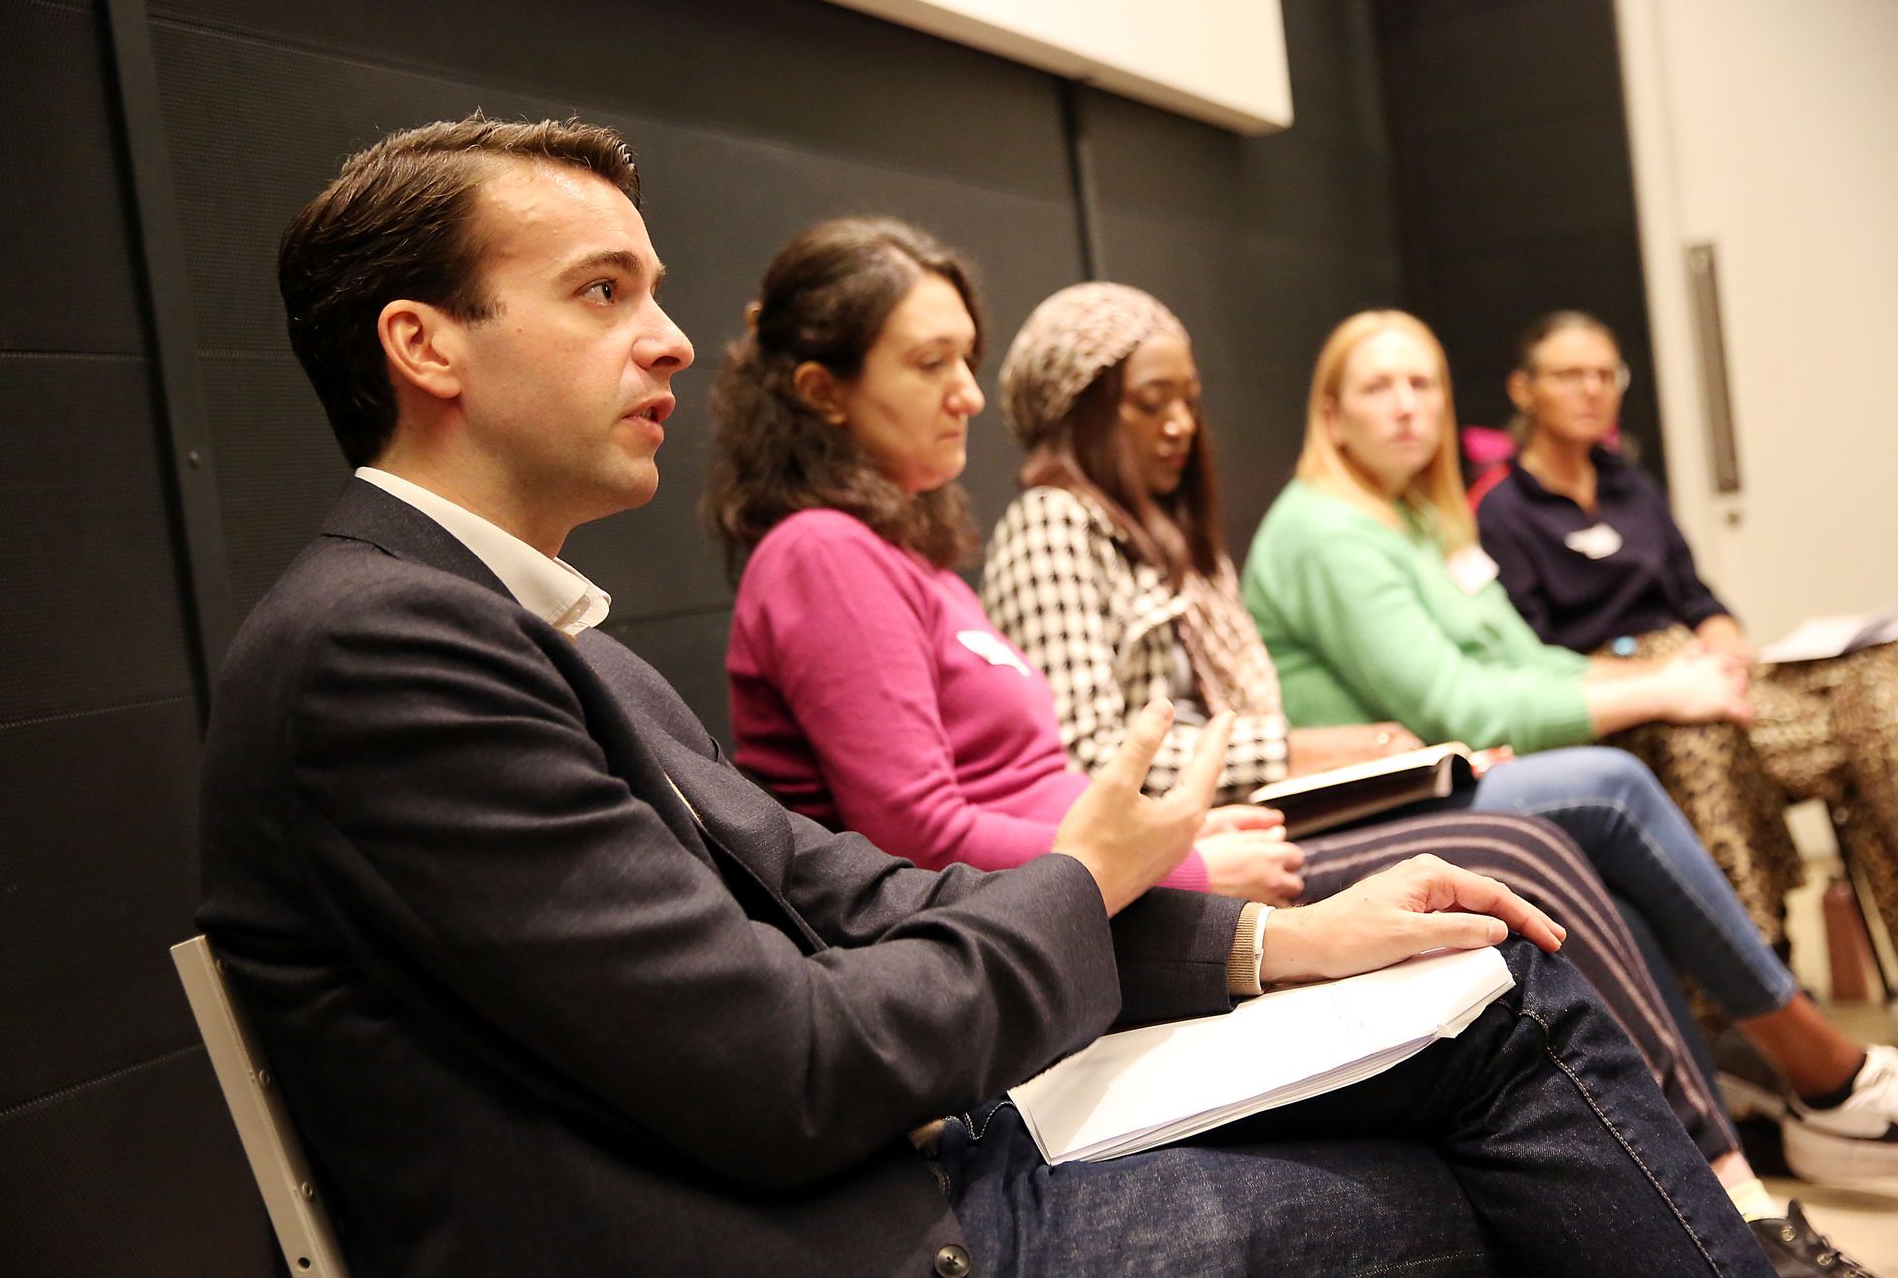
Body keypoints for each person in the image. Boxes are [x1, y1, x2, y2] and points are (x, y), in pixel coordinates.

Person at [196, 117, 1784, 1277]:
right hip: (856, 1229)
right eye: (603, 293)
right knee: (1505, 1140)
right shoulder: (378, 652)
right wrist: (1097, 867)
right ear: (426, 347)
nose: (674, 340)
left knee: (1494, 990)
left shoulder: (548, 638)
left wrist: (1266, 941)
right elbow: (796, 1062)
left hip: (898, 1151)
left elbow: (850, 889)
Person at [704, 231, 1843, 1271]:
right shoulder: (822, 554)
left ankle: (1715, 1174)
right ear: (825, 392)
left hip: (1121, 886)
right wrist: (1192, 859)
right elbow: (914, 835)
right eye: (930, 363)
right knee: (1516, 909)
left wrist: (1189, 840)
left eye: (969, 360)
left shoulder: (919, 559)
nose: (966, 395)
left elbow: (1038, 781)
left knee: (1525, 882)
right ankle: (1742, 1168)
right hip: (1056, 938)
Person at [1239, 306, 1898, 1186]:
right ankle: (1816, 1066)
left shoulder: (1418, 520)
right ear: (1331, 413)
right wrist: (1655, 688)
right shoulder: (1326, 529)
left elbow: (1527, 660)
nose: (1405, 406)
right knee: (1614, 783)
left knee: (1621, 878)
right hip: (1377, 798)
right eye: (1377, 387)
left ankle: (1721, 1163)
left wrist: (1648, 684)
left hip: (1463, 767)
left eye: (1422, 384)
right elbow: (1455, 700)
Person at [1477, 308, 1898, 961]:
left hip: (1698, 665)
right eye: (1569, 375)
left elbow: (1694, 594)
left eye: (1605, 374)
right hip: (1621, 696)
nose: (1592, 390)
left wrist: (1723, 635)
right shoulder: (1504, 511)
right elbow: (1532, 653)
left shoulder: (1632, 486)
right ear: (1523, 390)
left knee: (1875, 704)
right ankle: (1760, 966)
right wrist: (1662, 677)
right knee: (1710, 737)